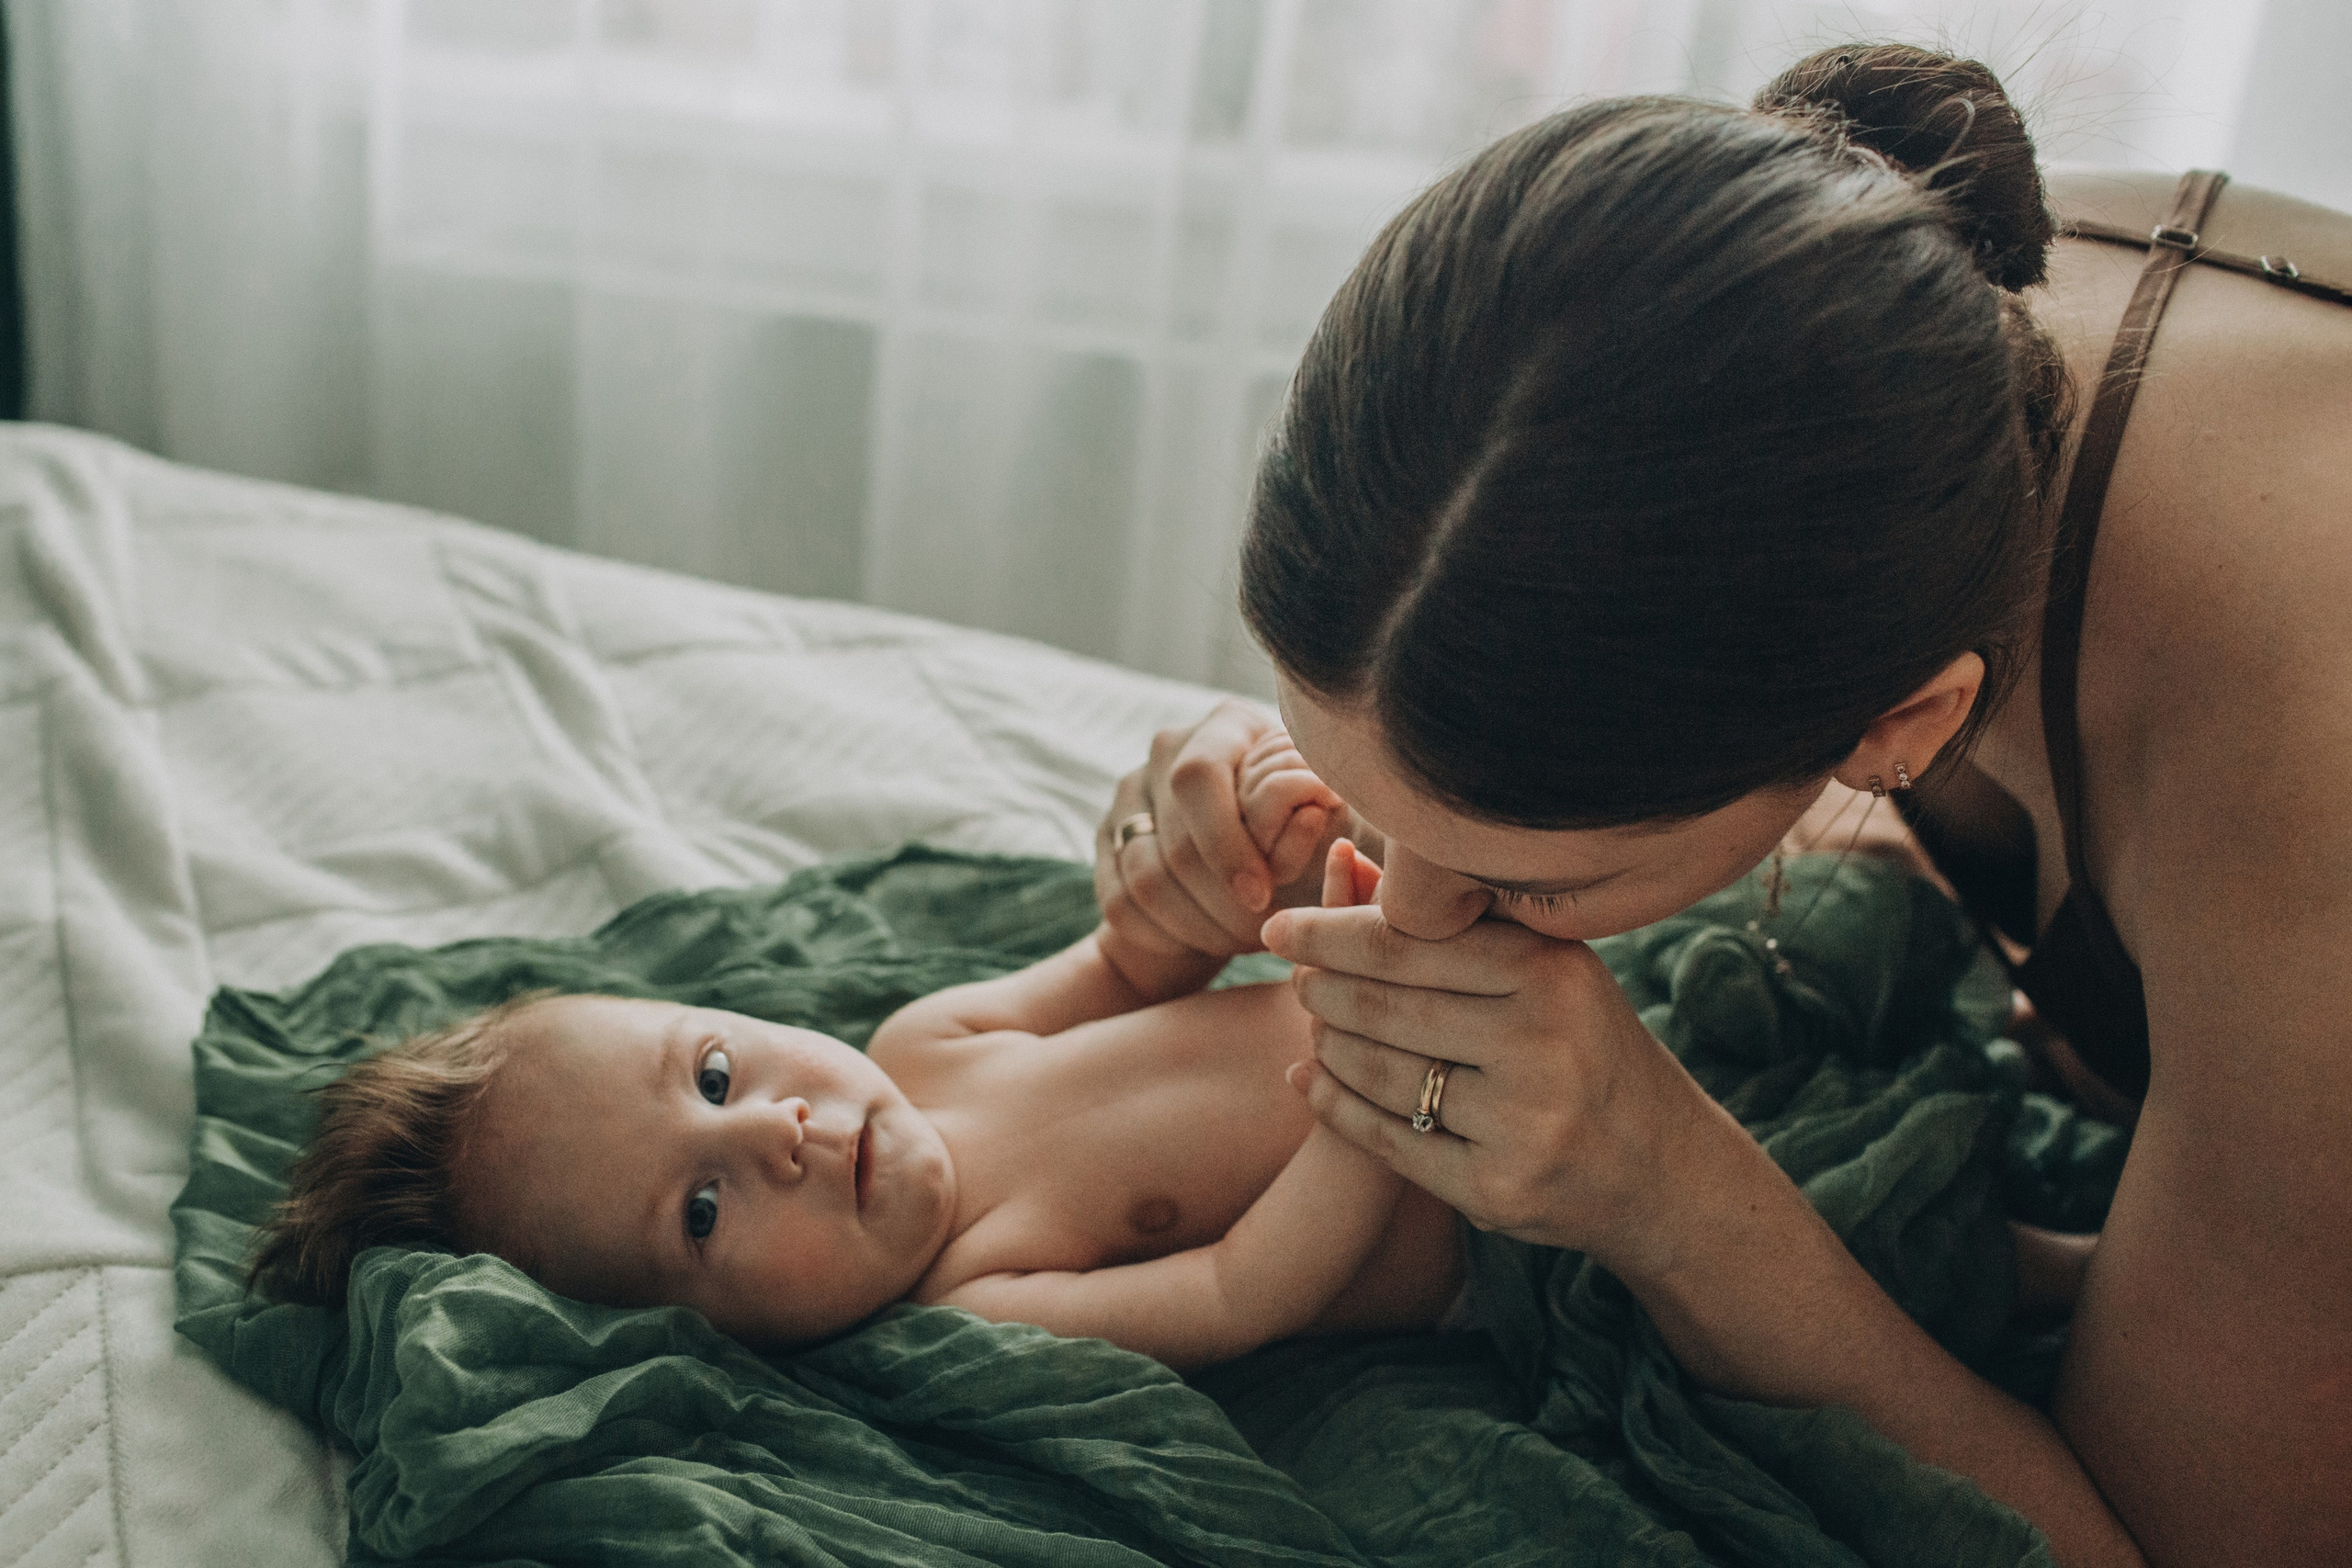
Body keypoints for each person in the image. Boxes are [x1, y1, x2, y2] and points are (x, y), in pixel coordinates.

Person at [1093, 42, 2352, 1568]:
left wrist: (1670, 1195)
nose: (1407, 908)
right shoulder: (1846, 316)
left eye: (1525, 885)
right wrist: (1324, 784)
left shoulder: (2309, 794)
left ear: (1910, 721)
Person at [247, 751, 1464, 1372]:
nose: (771, 1135)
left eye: (714, 1076)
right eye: (705, 1210)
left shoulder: (922, 1043)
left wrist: (1252, 854)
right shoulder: (983, 1295)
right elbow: (1244, 1292)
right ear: (716, 1334)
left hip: (1419, 1007)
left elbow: (1143, 961)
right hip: (1490, 1198)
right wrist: (1375, 1090)